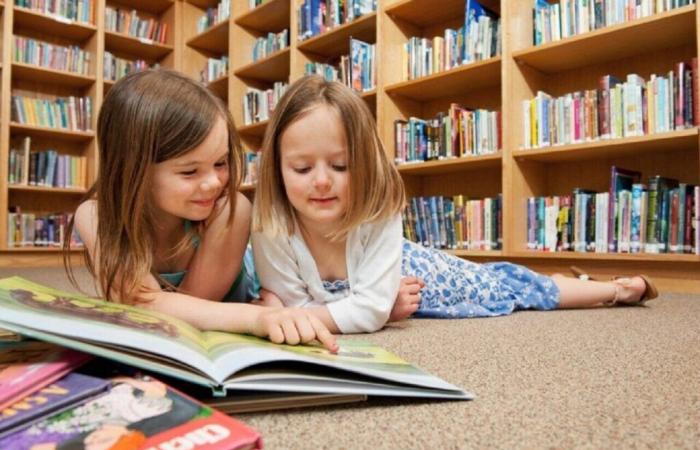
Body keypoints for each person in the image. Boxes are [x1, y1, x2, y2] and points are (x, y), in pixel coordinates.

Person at [250, 75, 659, 335]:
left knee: (511, 285)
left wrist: (367, 310)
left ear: (366, 164)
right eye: (302, 168)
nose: (321, 181)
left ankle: (615, 290)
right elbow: (312, 311)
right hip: (387, 288)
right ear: (277, 169)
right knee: (510, 283)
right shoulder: (269, 225)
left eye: (340, 165)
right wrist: (362, 309)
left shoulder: (378, 211)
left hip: (415, 270)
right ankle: (585, 282)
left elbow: (312, 313)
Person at [63, 69, 336, 351]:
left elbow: (187, 312)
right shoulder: (96, 215)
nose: (213, 183)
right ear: (131, 170)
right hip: (253, 312)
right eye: (190, 171)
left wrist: (262, 314)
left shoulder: (231, 209)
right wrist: (257, 317)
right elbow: (144, 306)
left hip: (267, 290)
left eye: (220, 163)